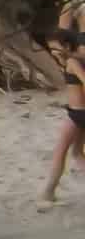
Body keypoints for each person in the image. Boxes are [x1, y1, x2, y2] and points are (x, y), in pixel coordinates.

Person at [40, 30, 85, 204]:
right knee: (77, 153)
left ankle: (48, 192)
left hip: (77, 114)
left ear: (67, 46)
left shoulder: (74, 61)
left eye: (55, 48)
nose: (53, 52)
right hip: (78, 113)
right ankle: (48, 192)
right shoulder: (76, 59)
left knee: (60, 152)